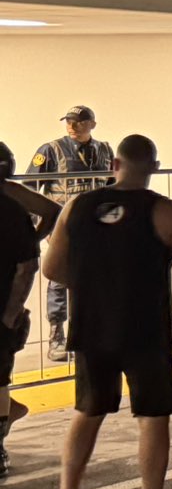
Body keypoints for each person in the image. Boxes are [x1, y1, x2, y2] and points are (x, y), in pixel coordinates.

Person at [41, 134, 172, 489]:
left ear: (114, 165)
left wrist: (94, 286)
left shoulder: (76, 207)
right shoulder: (166, 211)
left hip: (91, 327)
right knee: (153, 416)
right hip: (146, 330)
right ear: (154, 168)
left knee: (88, 411)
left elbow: (51, 269)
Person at [29, 105, 116, 360]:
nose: (72, 126)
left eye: (78, 121)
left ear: (92, 124)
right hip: (63, 229)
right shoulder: (50, 150)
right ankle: (57, 337)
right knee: (59, 280)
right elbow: (31, 189)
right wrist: (37, 229)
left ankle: (93, 334)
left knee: (97, 281)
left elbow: (112, 188)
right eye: (69, 121)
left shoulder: (104, 150)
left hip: (97, 230)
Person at [0, 144, 53, 478]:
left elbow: (27, 267)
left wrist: (29, 241)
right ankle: (9, 410)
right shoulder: (12, 198)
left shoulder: (11, 200)